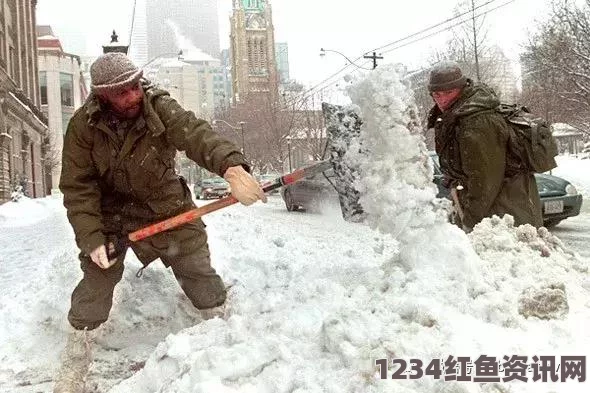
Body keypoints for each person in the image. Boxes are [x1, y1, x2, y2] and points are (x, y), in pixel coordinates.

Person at [54, 52, 266, 392]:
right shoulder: (84, 126)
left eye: (135, 86)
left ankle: (221, 325)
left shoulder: (158, 106)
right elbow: (78, 188)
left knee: (196, 268)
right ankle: (77, 351)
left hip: (167, 207)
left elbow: (196, 134)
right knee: (96, 281)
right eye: (122, 92)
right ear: (102, 95)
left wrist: (232, 167)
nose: (133, 96)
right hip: (113, 217)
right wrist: (91, 238)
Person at [426, 61, 542, 232]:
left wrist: (470, 222)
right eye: (436, 94)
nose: (441, 99)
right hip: (491, 210)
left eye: (448, 92)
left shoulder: (478, 121)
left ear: (462, 89)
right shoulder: (457, 117)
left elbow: (484, 180)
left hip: (503, 213)